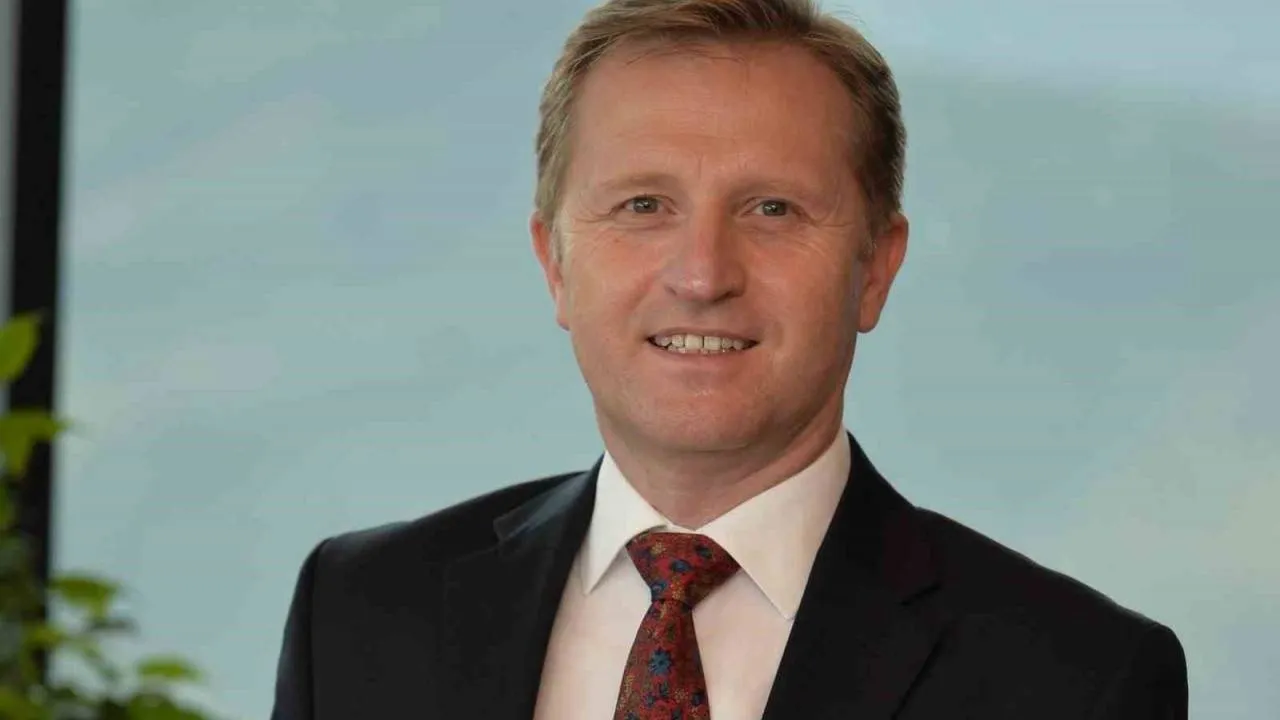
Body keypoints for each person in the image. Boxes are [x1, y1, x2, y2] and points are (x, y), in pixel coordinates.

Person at [270, 0, 1189, 718]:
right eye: (643, 206)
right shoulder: (358, 612)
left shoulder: (1078, 680)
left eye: (772, 210)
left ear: (876, 268)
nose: (703, 275)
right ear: (555, 264)